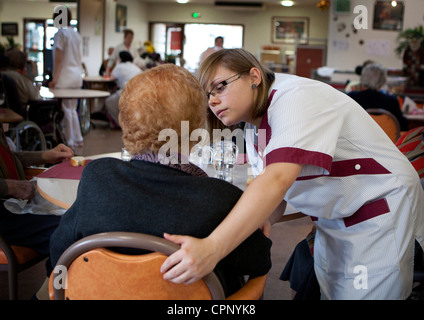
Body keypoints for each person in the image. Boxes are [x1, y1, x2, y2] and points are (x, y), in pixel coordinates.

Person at [160, 48, 424, 300]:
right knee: (332, 290)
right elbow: (277, 192)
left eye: (221, 86)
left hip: (378, 210)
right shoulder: (253, 125)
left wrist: (213, 248)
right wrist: (261, 221)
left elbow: (277, 179)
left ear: (254, 76)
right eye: (208, 94)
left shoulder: (295, 98)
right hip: (335, 216)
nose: (213, 100)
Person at [49, 64, 272, 297]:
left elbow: (59, 253)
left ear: (126, 122)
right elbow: (259, 262)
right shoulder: (221, 197)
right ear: (198, 125)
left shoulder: (98, 177)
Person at [0, 123, 73, 276]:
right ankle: (52, 291)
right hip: (5, 214)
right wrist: (8, 186)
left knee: (77, 218)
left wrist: (45, 156)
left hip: (15, 204)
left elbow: (10, 157)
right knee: (69, 231)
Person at [49, 8, 84, 149]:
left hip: (65, 75)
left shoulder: (60, 34)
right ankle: (78, 138)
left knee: (66, 109)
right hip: (77, 75)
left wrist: (54, 78)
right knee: (73, 109)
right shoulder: (76, 34)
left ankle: (69, 141)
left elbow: (59, 57)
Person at [348, 62, 408, 131]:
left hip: (358, 140)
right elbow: (402, 126)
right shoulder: (391, 101)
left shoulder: (351, 97)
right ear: (383, 81)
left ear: (363, 78)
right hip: (385, 140)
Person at [104, 51, 142, 128]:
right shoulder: (135, 67)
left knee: (108, 101)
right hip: (141, 92)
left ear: (120, 59)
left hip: (129, 92)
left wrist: (106, 73)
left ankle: (118, 124)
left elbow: (111, 78)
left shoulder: (119, 66)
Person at [1, 49, 41, 114]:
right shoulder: (21, 79)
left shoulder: (3, 75)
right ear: (22, 64)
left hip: (4, 113)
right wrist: (37, 88)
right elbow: (35, 97)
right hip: (22, 114)